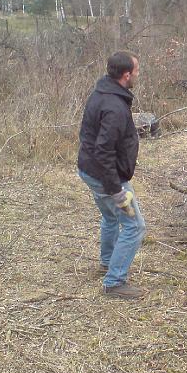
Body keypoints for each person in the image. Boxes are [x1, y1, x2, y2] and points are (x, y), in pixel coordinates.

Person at [77, 51, 146, 299]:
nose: (138, 74)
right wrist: (117, 190)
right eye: (136, 71)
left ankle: (107, 262)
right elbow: (104, 150)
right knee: (135, 226)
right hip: (105, 177)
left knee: (109, 217)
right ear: (126, 75)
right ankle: (114, 282)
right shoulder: (115, 106)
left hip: (90, 170)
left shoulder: (101, 93)